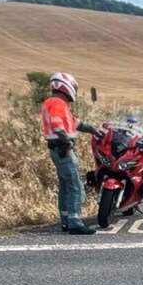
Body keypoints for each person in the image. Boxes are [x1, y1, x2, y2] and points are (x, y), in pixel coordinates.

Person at [40, 72, 99, 235]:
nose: (74, 90)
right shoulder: (57, 103)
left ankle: (66, 220)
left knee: (65, 185)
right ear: (65, 86)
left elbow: (74, 122)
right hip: (62, 148)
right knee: (74, 185)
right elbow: (57, 123)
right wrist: (64, 139)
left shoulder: (53, 103)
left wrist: (92, 129)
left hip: (56, 148)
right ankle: (75, 222)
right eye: (73, 87)